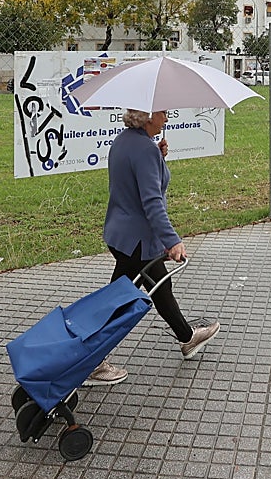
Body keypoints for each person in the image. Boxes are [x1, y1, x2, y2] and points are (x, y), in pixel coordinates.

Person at [87, 108, 220, 385]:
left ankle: (187, 338)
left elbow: (132, 182)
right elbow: (151, 202)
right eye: (163, 113)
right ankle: (92, 361)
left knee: (157, 289)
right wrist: (172, 241)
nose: (167, 118)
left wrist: (157, 159)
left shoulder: (124, 141)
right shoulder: (144, 150)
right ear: (147, 116)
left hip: (121, 234)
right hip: (138, 240)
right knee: (120, 301)